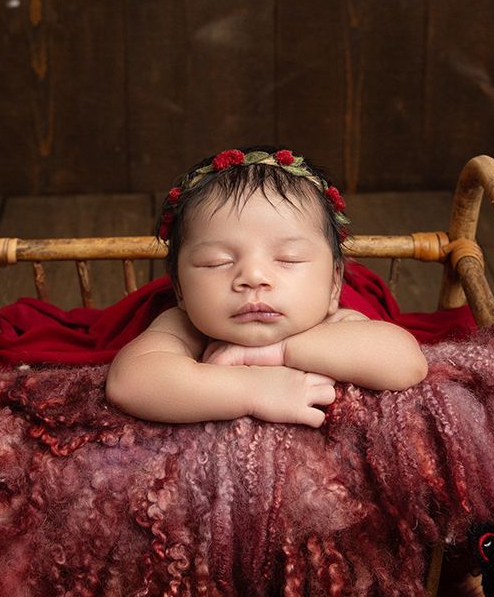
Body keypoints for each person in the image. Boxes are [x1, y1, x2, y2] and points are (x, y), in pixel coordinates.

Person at [105, 147, 428, 426]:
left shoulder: (337, 324)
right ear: (179, 290)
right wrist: (253, 389)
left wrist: (277, 351)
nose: (254, 277)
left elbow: (407, 363)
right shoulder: (183, 325)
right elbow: (129, 383)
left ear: (333, 284)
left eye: (288, 258)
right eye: (216, 262)